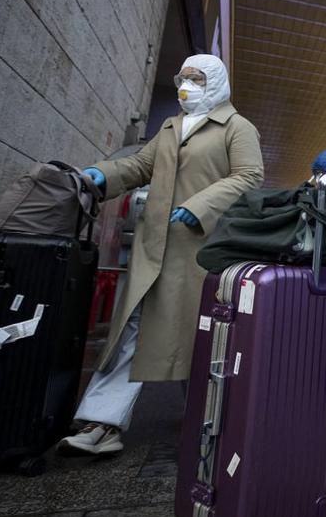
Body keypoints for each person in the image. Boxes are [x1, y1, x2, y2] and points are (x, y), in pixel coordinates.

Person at [59, 55, 264, 455]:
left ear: (217, 83)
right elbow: (139, 165)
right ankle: (103, 422)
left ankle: (211, 420)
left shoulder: (237, 128)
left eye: (196, 79)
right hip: (154, 251)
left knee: (200, 336)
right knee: (132, 330)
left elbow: (249, 176)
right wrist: (104, 173)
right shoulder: (171, 127)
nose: (186, 87)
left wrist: (202, 205)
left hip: (199, 253)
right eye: (183, 79)